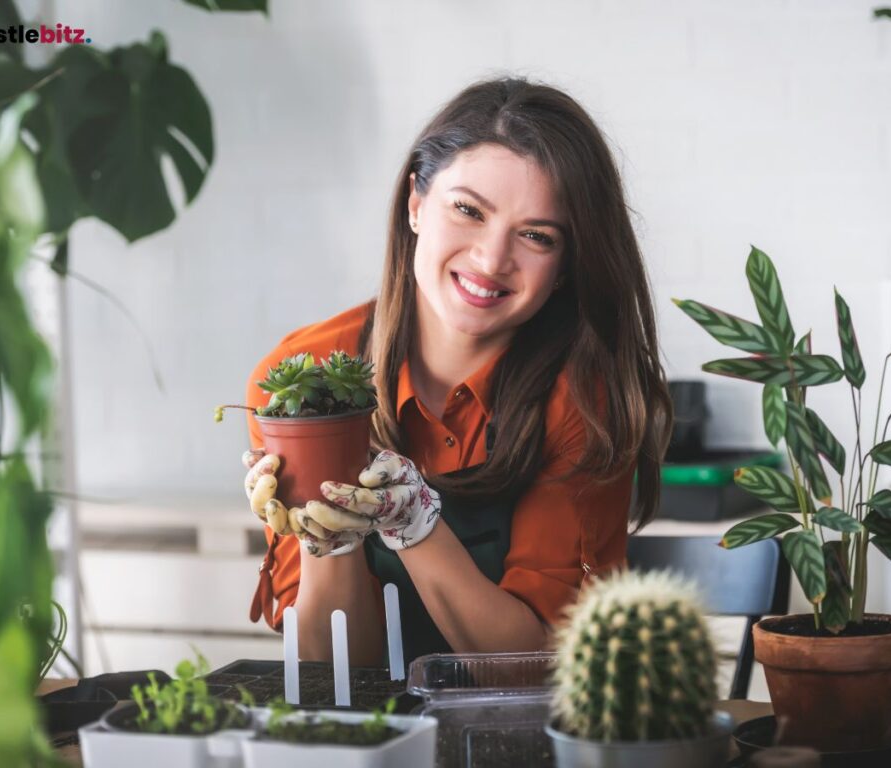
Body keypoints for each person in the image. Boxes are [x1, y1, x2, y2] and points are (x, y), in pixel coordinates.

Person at [243, 77, 673, 666]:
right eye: (468, 210)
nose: (491, 260)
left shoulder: (583, 402)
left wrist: (414, 523)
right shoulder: (301, 382)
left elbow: (536, 671)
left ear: (568, 266)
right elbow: (337, 675)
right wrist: (328, 538)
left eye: (536, 236)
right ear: (415, 204)